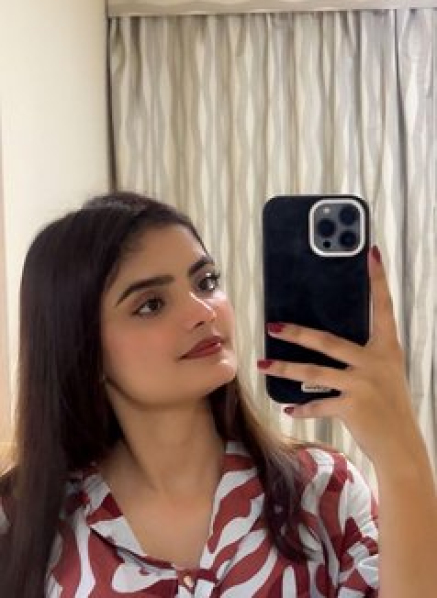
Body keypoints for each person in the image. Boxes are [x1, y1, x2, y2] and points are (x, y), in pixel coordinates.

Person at [0, 191, 435, 598]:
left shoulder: (324, 492)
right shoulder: (23, 522)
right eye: (151, 304)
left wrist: (401, 456)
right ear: (82, 348)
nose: (203, 310)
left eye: (206, 282)